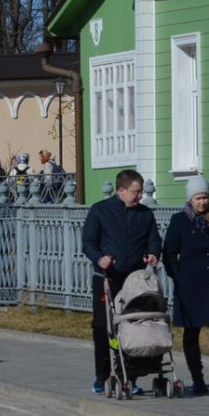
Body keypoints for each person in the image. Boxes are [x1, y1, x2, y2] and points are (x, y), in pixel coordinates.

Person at [81, 168, 161, 395]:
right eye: (136, 192)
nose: (139, 196)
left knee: (135, 325)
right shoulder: (100, 211)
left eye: (141, 192)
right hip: (106, 278)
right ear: (121, 191)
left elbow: (154, 240)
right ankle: (103, 375)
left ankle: (131, 377)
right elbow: (88, 242)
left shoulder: (144, 214)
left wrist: (153, 253)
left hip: (134, 281)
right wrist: (100, 258)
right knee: (102, 327)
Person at [163, 176, 209, 395]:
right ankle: (198, 379)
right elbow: (169, 254)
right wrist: (180, 277)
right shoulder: (179, 221)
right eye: (198, 198)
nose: (203, 202)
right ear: (190, 198)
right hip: (190, 285)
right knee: (191, 331)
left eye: (205, 197)